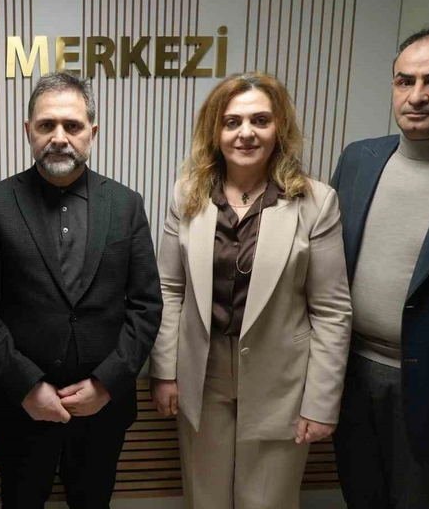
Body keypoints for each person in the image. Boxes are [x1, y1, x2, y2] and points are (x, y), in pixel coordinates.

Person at [150, 72, 352, 508]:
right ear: (215, 131)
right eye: (232, 122)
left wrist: (321, 402)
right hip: (202, 374)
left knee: (267, 500)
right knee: (205, 498)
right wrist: (164, 371)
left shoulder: (316, 202)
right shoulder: (187, 196)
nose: (246, 133)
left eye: (260, 120)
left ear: (279, 128)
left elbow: (332, 311)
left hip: (282, 380)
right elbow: (169, 289)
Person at [0, 71, 163, 509]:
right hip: (19, 406)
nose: (59, 137)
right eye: (46, 125)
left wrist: (107, 384)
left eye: (72, 125)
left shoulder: (126, 205)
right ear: (28, 130)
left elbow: (146, 306)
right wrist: (26, 386)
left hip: (103, 409)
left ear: (93, 131)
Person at [331, 23, 429, 508]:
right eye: (404, 80)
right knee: (360, 496)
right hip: (348, 372)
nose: (416, 96)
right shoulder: (359, 159)